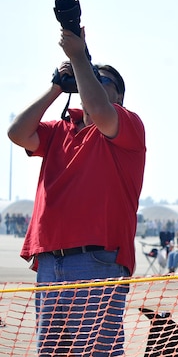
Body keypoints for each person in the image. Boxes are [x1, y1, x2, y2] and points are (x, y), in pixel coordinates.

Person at [8, 24, 145, 355]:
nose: (93, 82)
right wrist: (57, 86)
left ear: (120, 97)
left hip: (97, 260)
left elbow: (100, 112)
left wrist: (80, 57)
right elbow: (16, 132)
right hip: (50, 262)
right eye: (90, 77)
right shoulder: (60, 129)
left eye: (104, 80)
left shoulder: (127, 124)